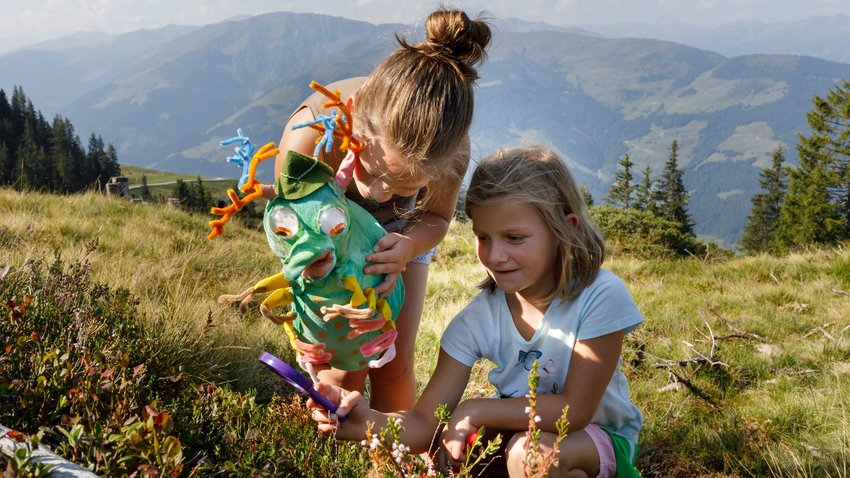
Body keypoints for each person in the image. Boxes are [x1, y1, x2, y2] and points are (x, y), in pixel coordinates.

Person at [310, 146, 644, 477]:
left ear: (565, 229)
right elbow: (425, 422)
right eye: (483, 237)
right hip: (519, 436)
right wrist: (364, 420)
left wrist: (474, 409)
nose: (495, 256)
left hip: (599, 441)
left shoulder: (599, 295)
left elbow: (574, 412)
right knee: (459, 451)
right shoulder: (480, 317)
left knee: (528, 457)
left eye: (514, 238)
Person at [274, 8, 491, 412]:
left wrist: (407, 248)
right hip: (323, 242)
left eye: (404, 187)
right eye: (373, 171)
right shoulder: (310, 136)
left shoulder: (451, 152)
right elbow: (292, 229)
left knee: (392, 360)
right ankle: (333, 454)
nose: (377, 192)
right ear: (354, 118)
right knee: (342, 366)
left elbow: (438, 219)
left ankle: (395, 455)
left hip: (402, 235)